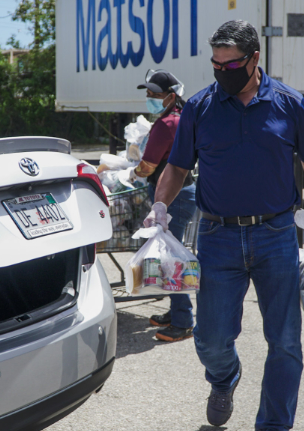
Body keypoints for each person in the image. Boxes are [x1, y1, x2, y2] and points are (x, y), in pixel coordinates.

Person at [143, 20, 304, 430]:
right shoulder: (199, 107)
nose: (222, 72)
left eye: (230, 65)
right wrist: (160, 206)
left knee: (285, 342)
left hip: (276, 235)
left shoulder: (289, 103)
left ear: (255, 59)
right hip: (218, 237)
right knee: (211, 340)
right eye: (216, 64)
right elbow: (178, 166)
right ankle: (224, 378)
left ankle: (273, 424)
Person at [128, 69, 197, 342]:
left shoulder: (166, 124)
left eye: (154, 95)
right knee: (170, 254)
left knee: (171, 259)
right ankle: (176, 311)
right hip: (182, 194)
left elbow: (147, 167)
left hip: (172, 198)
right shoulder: (179, 119)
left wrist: (131, 173)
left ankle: (183, 321)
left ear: (170, 97)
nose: (149, 99)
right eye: (147, 94)